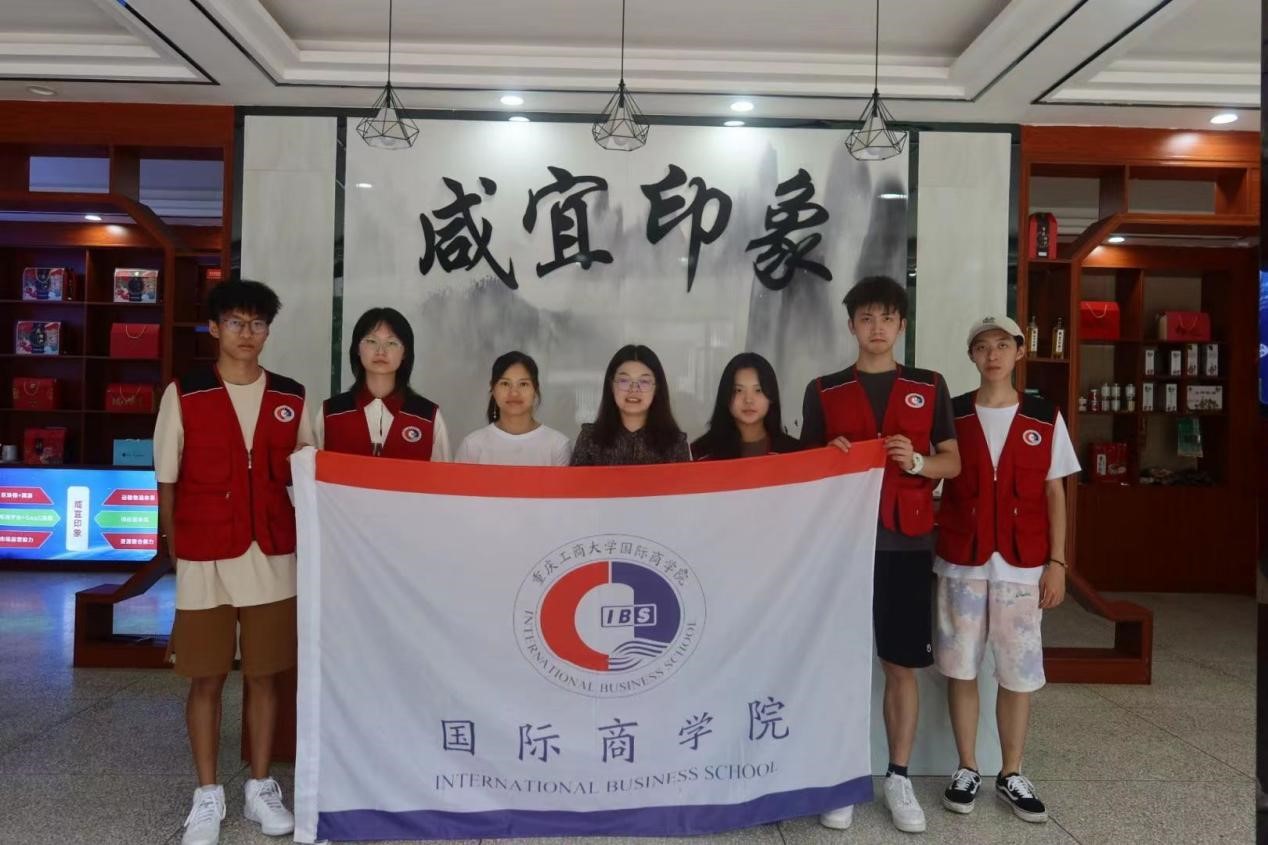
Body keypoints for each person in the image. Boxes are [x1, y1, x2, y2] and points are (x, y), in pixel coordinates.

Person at [154, 280, 313, 845]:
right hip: (205, 554)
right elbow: (167, 479)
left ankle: (260, 787)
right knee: (206, 676)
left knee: (265, 674)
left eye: (258, 323)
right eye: (237, 322)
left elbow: (307, 475)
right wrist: (176, 547)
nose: (248, 334)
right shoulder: (186, 392)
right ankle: (207, 794)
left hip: (272, 552)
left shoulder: (291, 396)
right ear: (214, 328)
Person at [800, 275, 961, 834]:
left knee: (900, 664)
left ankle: (898, 777)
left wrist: (917, 461)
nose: (877, 328)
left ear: (902, 325)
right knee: (841, 664)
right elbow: (803, 472)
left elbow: (952, 461)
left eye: (887, 318)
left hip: (906, 544)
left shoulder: (929, 385)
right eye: (866, 318)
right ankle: (843, 778)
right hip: (842, 546)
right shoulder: (824, 390)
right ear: (851, 325)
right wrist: (829, 455)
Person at [934, 316, 1078, 824]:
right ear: (971, 355)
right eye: (982, 346)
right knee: (961, 666)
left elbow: (1054, 492)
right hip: (962, 561)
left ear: (1019, 351)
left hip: (1023, 566)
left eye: (1002, 345)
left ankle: (1011, 771)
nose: (992, 355)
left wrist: (1057, 563)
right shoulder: (952, 414)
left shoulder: (1044, 416)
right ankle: (967, 767)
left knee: (1018, 672)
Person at [315, 307, 450, 461]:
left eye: (391, 343)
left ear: (405, 352)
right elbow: (311, 471)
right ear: (357, 348)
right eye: (371, 341)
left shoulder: (427, 417)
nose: (381, 351)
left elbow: (444, 475)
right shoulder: (331, 413)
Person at [570, 344, 690, 465]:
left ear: (657, 388)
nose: (633, 389)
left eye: (644, 381)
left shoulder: (675, 444)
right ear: (611, 386)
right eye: (624, 381)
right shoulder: (590, 439)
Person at [454, 350, 571, 465]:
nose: (514, 393)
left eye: (523, 384)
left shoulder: (558, 446)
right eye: (505, 384)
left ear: (535, 389)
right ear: (493, 389)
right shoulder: (472, 446)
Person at [691, 351, 801, 460]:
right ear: (726, 395)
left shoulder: (793, 452)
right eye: (738, 390)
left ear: (771, 396)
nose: (748, 400)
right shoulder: (702, 452)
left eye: (758, 390)